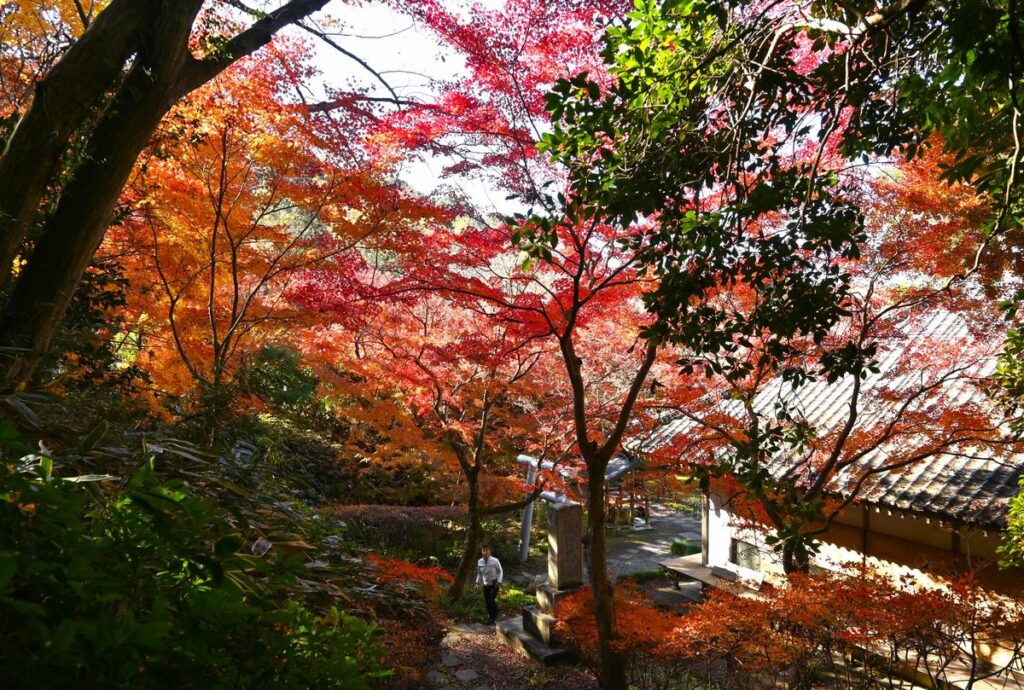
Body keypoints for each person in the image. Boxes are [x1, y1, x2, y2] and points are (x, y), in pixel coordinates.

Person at [475, 543, 503, 625]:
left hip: (494, 584)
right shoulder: (479, 562)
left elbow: (500, 571)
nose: (485, 552)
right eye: (484, 550)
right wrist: (477, 583)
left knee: (491, 600)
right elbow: (479, 573)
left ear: (490, 552)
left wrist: (499, 581)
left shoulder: (495, 560)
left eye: (487, 550)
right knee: (487, 602)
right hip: (486, 585)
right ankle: (492, 614)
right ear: (482, 552)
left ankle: (492, 618)